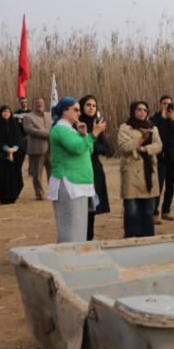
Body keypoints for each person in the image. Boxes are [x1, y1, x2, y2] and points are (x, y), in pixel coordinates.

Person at [49, 97, 108, 243]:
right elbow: (77, 149)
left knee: (80, 226)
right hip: (68, 182)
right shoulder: (59, 129)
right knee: (70, 226)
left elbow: (89, 150)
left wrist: (84, 135)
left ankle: (77, 254)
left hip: (80, 182)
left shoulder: (72, 130)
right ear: (64, 111)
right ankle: (67, 255)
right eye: (75, 109)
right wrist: (94, 134)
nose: (79, 113)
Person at [117, 101, 163, 237]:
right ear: (133, 111)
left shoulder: (152, 128)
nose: (142, 112)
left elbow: (159, 145)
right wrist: (141, 139)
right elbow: (124, 147)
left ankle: (148, 238)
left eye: (145, 110)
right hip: (132, 172)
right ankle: (132, 237)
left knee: (148, 210)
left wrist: (145, 149)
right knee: (132, 210)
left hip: (149, 172)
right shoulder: (125, 128)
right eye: (139, 109)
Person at [79, 95, 112, 240]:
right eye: (88, 105)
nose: (91, 108)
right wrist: (93, 136)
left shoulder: (97, 125)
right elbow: (81, 148)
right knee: (81, 206)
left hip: (95, 168)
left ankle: (89, 237)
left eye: (94, 105)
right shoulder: (77, 125)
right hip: (80, 169)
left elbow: (108, 150)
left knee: (92, 206)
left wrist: (95, 138)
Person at [151, 95, 174, 222]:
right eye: (164, 103)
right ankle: (154, 213)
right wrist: (162, 118)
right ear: (160, 104)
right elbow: (155, 132)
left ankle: (166, 211)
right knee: (158, 184)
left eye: (169, 103)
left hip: (173, 155)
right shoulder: (155, 118)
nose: (167, 106)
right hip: (160, 156)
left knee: (170, 184)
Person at [0, 104, 25, 204]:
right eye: (4, 111)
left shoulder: (14, 125)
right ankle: (3, 197)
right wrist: (7, 149)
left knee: (14, 175)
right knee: (3, 176)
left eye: (8, 112)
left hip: (14, 155)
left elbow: (19, 139)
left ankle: (13, 195)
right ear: (1, 113)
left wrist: (14, 149)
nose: (6, 113)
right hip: (1, 156)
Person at [22, 97, 52, 200]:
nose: (39, 104)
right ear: (34, 104)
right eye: (37, 103)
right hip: (37, 149)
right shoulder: (28, 117)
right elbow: (30, 130)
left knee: (52, 172)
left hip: (51, 149)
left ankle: (53, 192)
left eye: (41, 102)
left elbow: (54, 127)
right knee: (37, 173)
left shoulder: (49, 115)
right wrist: (48, 134)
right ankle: (39, 193)